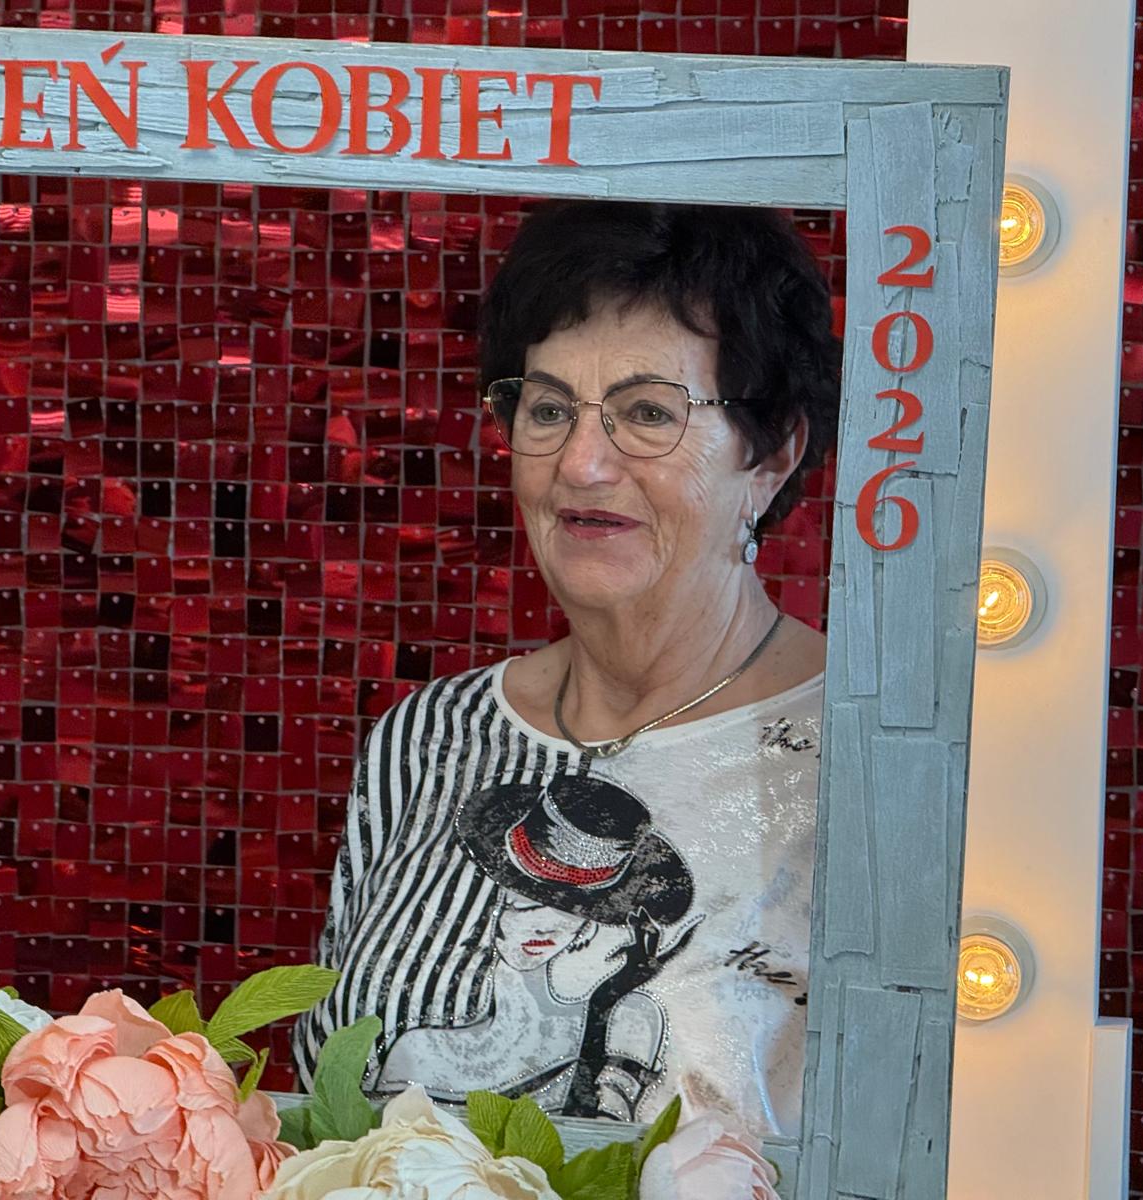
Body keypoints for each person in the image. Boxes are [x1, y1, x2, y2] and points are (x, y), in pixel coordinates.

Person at [292, 201, 839, 1140]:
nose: (581, 464)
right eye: (549, 410)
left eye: (648, 413)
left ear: (771, 454)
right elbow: (322, 1109)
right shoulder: (429, 736)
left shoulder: (862, 755)